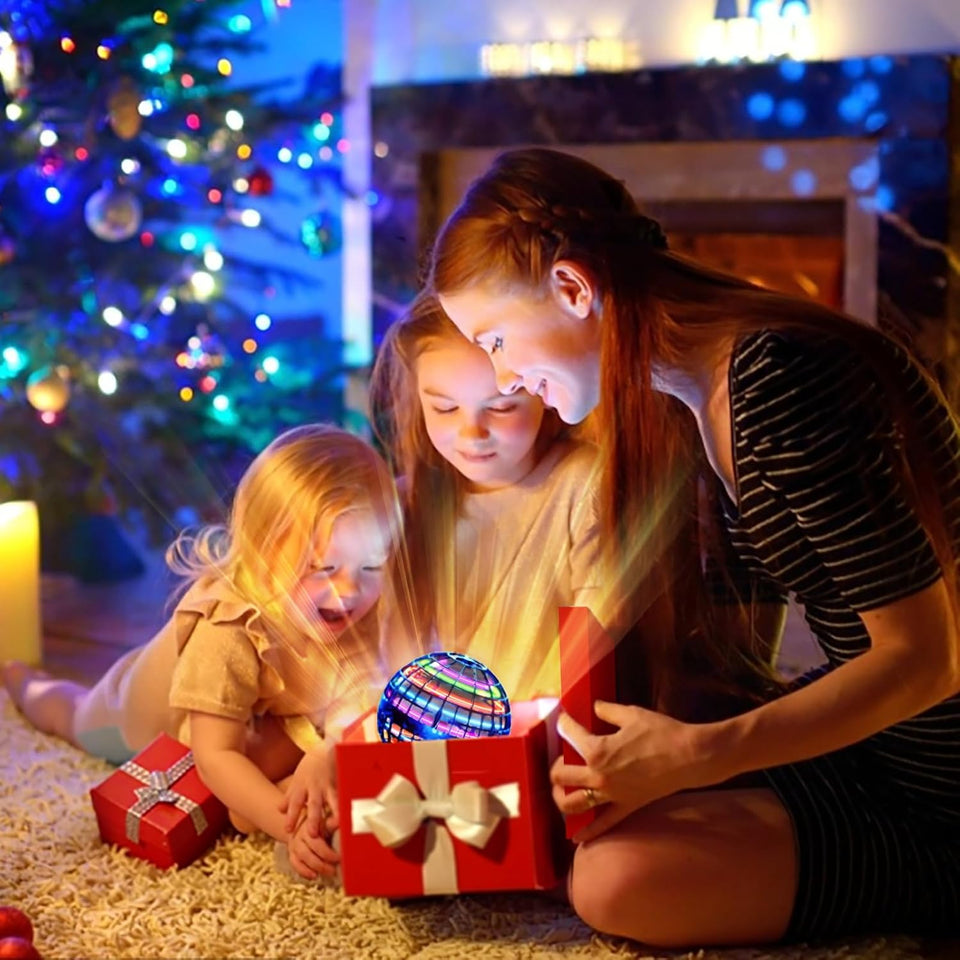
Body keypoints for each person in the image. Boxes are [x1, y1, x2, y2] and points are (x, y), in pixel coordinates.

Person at [427, 146, 960, 947]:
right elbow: (747, 655)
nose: (502, 377)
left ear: (572, 289)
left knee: (616, 883)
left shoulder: (779, 378)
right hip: (873, 746)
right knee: (606, 828)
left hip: (939, 784)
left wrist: (702, 757)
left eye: (497, 339)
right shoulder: (692, 391)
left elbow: (928, 659)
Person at [2, 424, 402, 882]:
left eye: (371, 564)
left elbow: (362, 694)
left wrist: (326, 755)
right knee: (72, 715)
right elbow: (216, 758)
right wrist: (289, 828)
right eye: (322, 567)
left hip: (254, 712)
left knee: (291, 752)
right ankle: (24, 680)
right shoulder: (228, 628)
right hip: (139, 715)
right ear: (260, 552)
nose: (349, 589)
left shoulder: (354, 607)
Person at [369, 289, 607, 702]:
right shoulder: (400, 508)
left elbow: (592, 640)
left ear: (542, 390)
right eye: (444, 409)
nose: (471, 434)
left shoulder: (583, 485)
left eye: (500, 408)